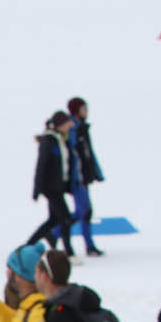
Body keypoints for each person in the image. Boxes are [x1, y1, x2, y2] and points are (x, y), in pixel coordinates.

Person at [28, 111, 74, 255]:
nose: (70, 125)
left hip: (58, 186)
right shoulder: (48, 141)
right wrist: (36, 189)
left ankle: (29, 245)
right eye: (67, 123)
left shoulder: (59, 139)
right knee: (65, 218)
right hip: (50, 188)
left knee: (54, 219)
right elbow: (41, 166)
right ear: (60, 124)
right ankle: (69, 252)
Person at [65, 98, 105, 257]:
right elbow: (75, 155)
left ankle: (56, 231)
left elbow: (89, 153)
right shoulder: (72, 129)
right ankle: (55, 231)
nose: (86, 111)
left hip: (83, 176)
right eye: (83, 108)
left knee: (84, 211)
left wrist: (96, 172)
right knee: (84, 211)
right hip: (77, 178)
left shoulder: (82, 128)